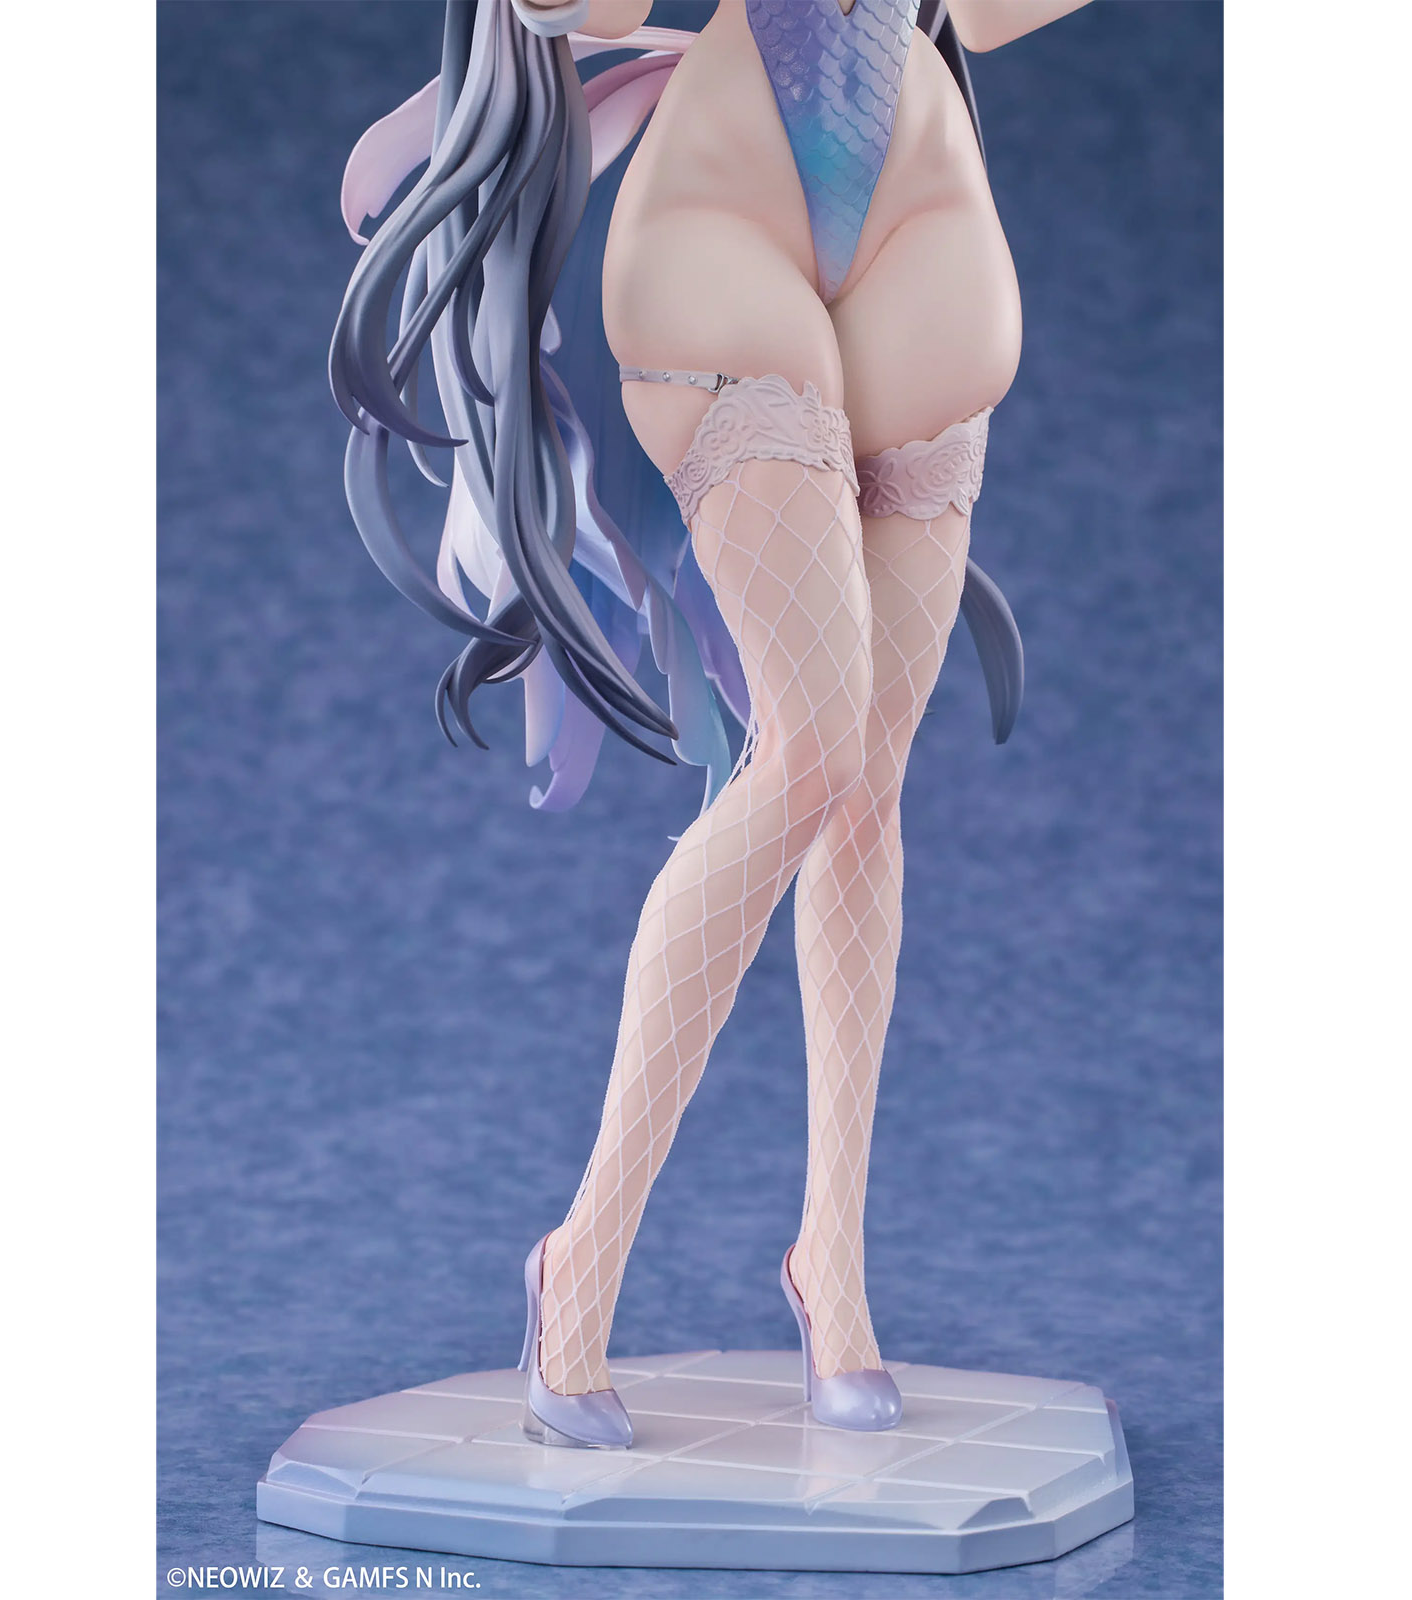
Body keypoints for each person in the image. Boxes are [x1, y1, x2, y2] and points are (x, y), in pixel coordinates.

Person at [330, 0, 1093, 1449]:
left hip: (926, 216)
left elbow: (993, 19)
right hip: (723, 216)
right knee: (807, 752)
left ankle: (834, 1269)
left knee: (867, 782)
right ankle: (583, 1256)